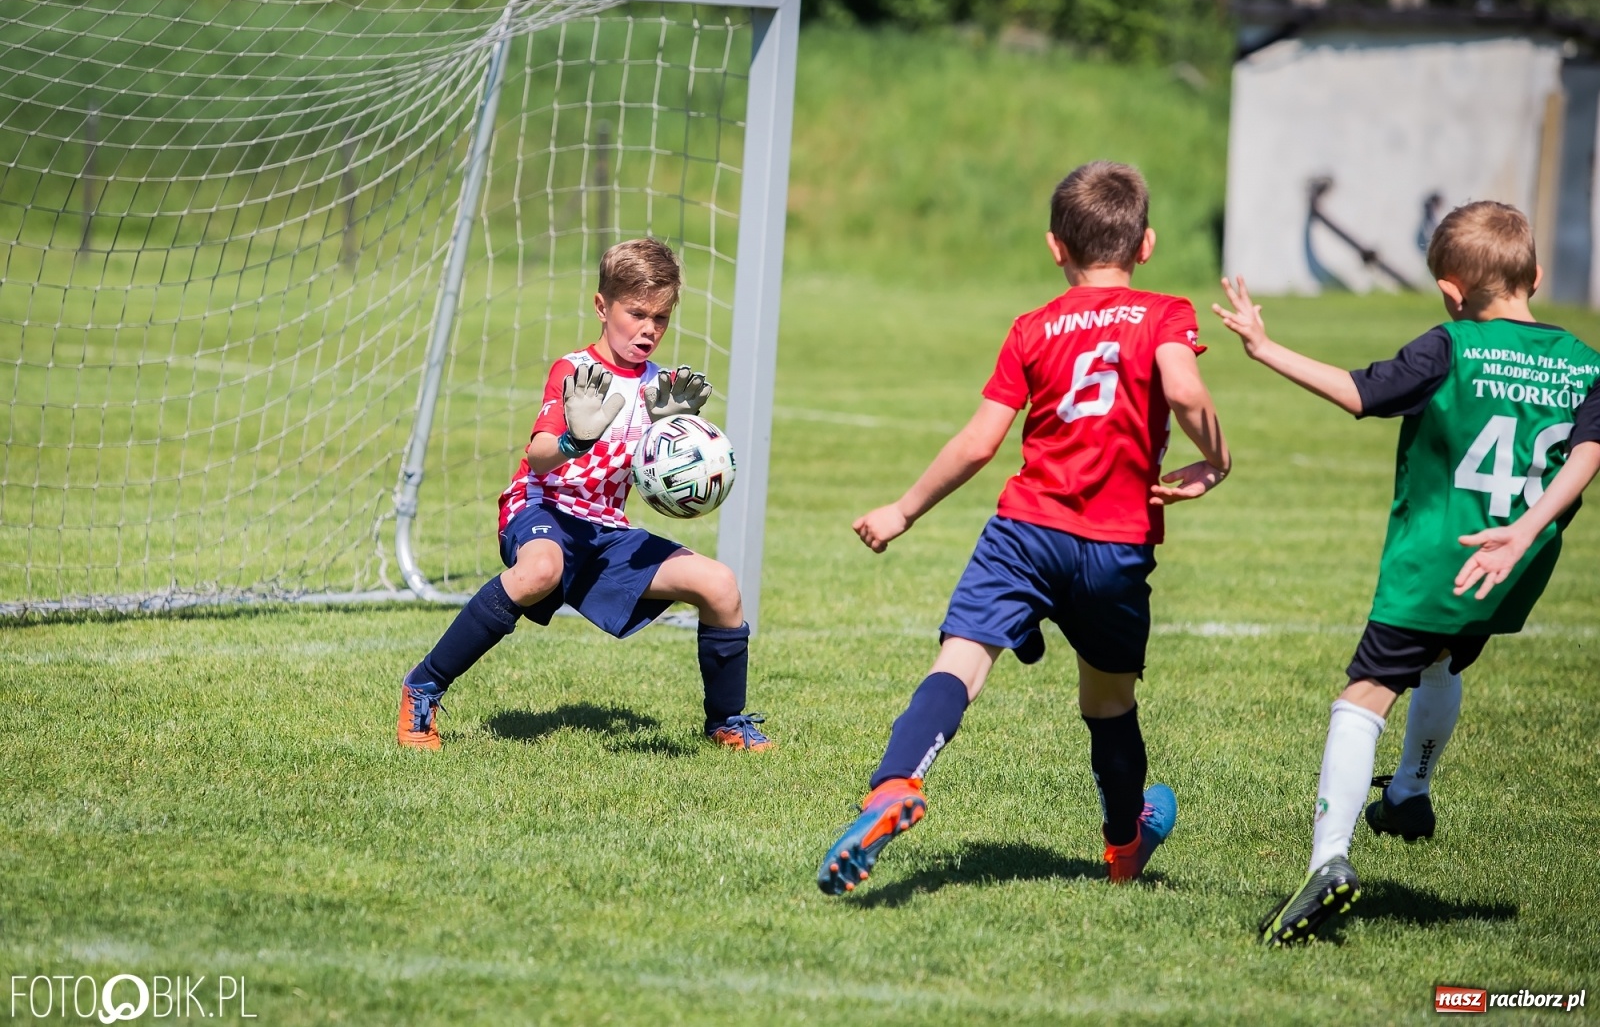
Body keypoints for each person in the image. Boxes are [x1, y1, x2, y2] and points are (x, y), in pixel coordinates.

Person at [816, 161, 1232, 895]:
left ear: (1054, 248)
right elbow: (1186, 388)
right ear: (1147, 245)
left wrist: (902, 510)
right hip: (1114, 544)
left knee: (961, 664)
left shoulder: (1034, 326)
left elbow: (980, 443)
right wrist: (1216, 460)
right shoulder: (1165, 312)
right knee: (1108, 703)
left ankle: (893, 786)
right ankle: (1123, 842)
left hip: (1024, 530)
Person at [1211, 201, 1600, 946]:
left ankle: (1329, 862)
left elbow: (1361, 392)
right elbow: (1589, 450)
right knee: (1446, 658)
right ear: (1537, 276)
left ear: (1452, 292)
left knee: (1363, 697)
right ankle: (1412, 792)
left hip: (1442, 562)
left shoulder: (1450, 347)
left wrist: (1265, 348)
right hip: (1515, 560)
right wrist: (1526, 530)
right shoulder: (1588, 363)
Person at [395, 238, 772, 754]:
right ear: (602, 306)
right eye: (636, 313)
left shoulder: (660, 387)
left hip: (604, 530)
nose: (648, 329)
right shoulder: (576, 373)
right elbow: (541, 454)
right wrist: (575, 438)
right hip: (540, 509)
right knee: (540, 570)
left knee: (720, 585)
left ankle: (727, 721)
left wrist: (676, 440)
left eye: (660, 317)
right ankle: (424, 685)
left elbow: (659, 479)